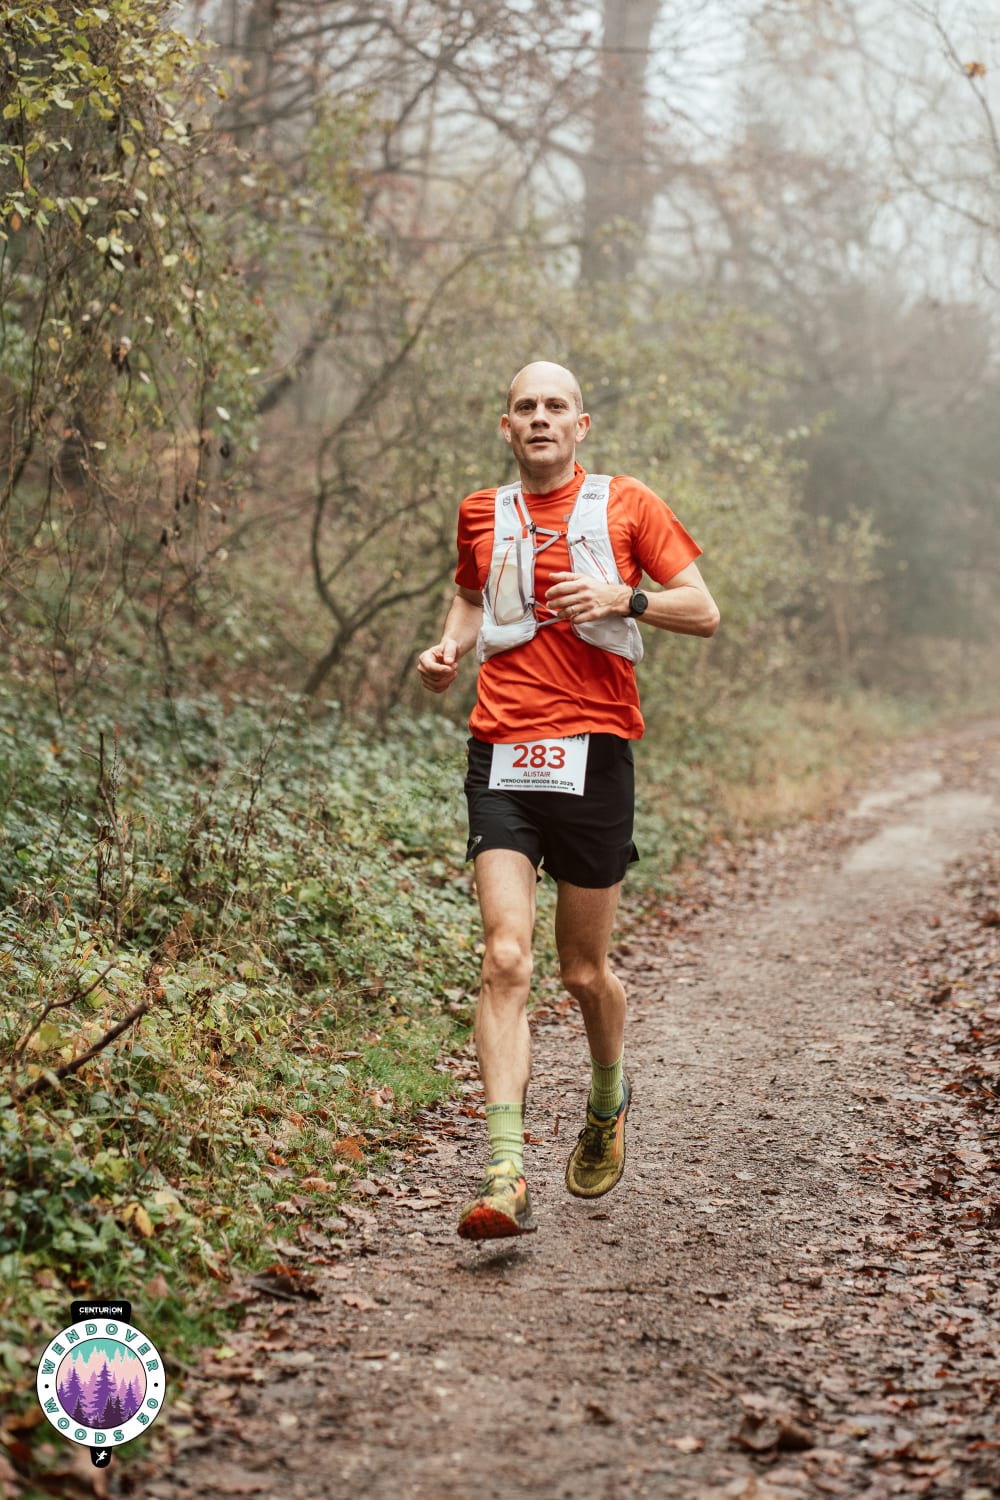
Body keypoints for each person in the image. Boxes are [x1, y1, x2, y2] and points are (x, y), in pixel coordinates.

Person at [417, 360, 719, 1240]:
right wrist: (446, 651)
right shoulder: (482, 512)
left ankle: (607, 1097)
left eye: (556, 406)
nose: (540, 418)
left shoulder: (627, 504)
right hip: (502, 753)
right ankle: (505, 1171)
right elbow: (468, 599)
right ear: (506, 426)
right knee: (505, 956)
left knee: (582, 973)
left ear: (581, 425)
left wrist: (626, 596)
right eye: (526, 407)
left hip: (595, 756)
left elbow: (703, 610)